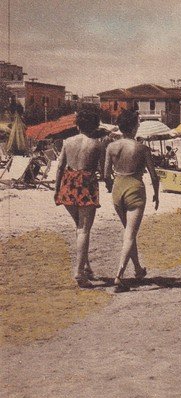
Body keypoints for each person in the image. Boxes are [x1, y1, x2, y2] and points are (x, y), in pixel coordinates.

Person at [104, 110, 160, 292]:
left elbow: (106, 175)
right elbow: (154, 176)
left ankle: (137, 269)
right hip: (135, 188)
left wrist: (111, 186)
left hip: (117, 189)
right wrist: (157, 194)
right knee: (130, 234)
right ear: (135, 126)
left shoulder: (111, 147)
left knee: (129, 231)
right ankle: (119, 276)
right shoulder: (142, 148)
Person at [54, 110, 105, 288]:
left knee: (79, 227)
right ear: (96, 126)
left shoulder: (68, 142)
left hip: (68, 184)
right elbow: (104, 171)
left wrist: (56, 190)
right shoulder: (97, 145)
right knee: (84, 230)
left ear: (77, 125)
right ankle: (79, 272)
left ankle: (87, 267)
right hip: (86, 185)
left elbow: (60, 166)